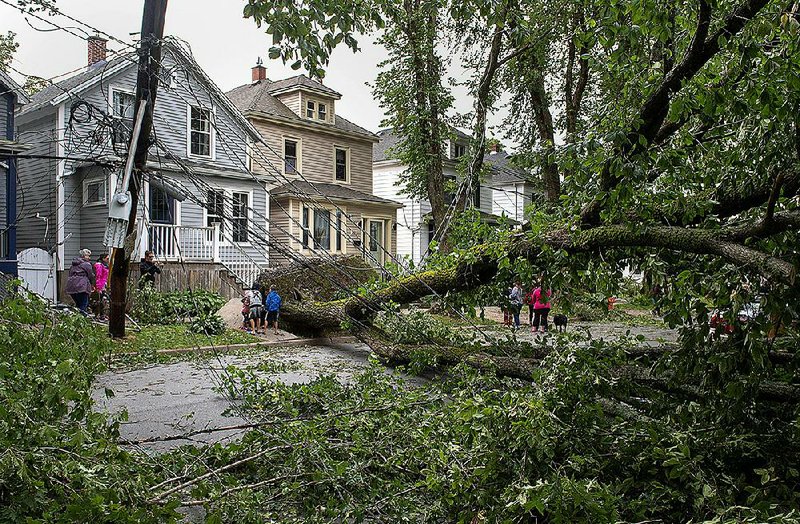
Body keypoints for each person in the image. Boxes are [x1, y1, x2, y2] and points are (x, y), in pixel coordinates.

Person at [65, 248, 96, 316]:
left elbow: (70, 274)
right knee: (83, 304)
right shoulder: (86, 264)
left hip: (71, 286)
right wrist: (92, 284)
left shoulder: (73, 265)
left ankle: (77, 319)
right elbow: (90, 275)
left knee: (78, 304)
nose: (89, 258)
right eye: (88, 256)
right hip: (82, 286)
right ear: (83, 256)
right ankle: (82, 319)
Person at [91, 254, 110, 320]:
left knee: (104, 300)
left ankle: (102, 314)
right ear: (103, 258)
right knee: (100, 300)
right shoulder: (99, 265)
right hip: (101, 285)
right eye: (107, 259)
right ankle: (98, 314)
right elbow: (98, 276)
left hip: (104, 284)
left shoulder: (105, 265)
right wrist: (98, 287)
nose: (108, 260)